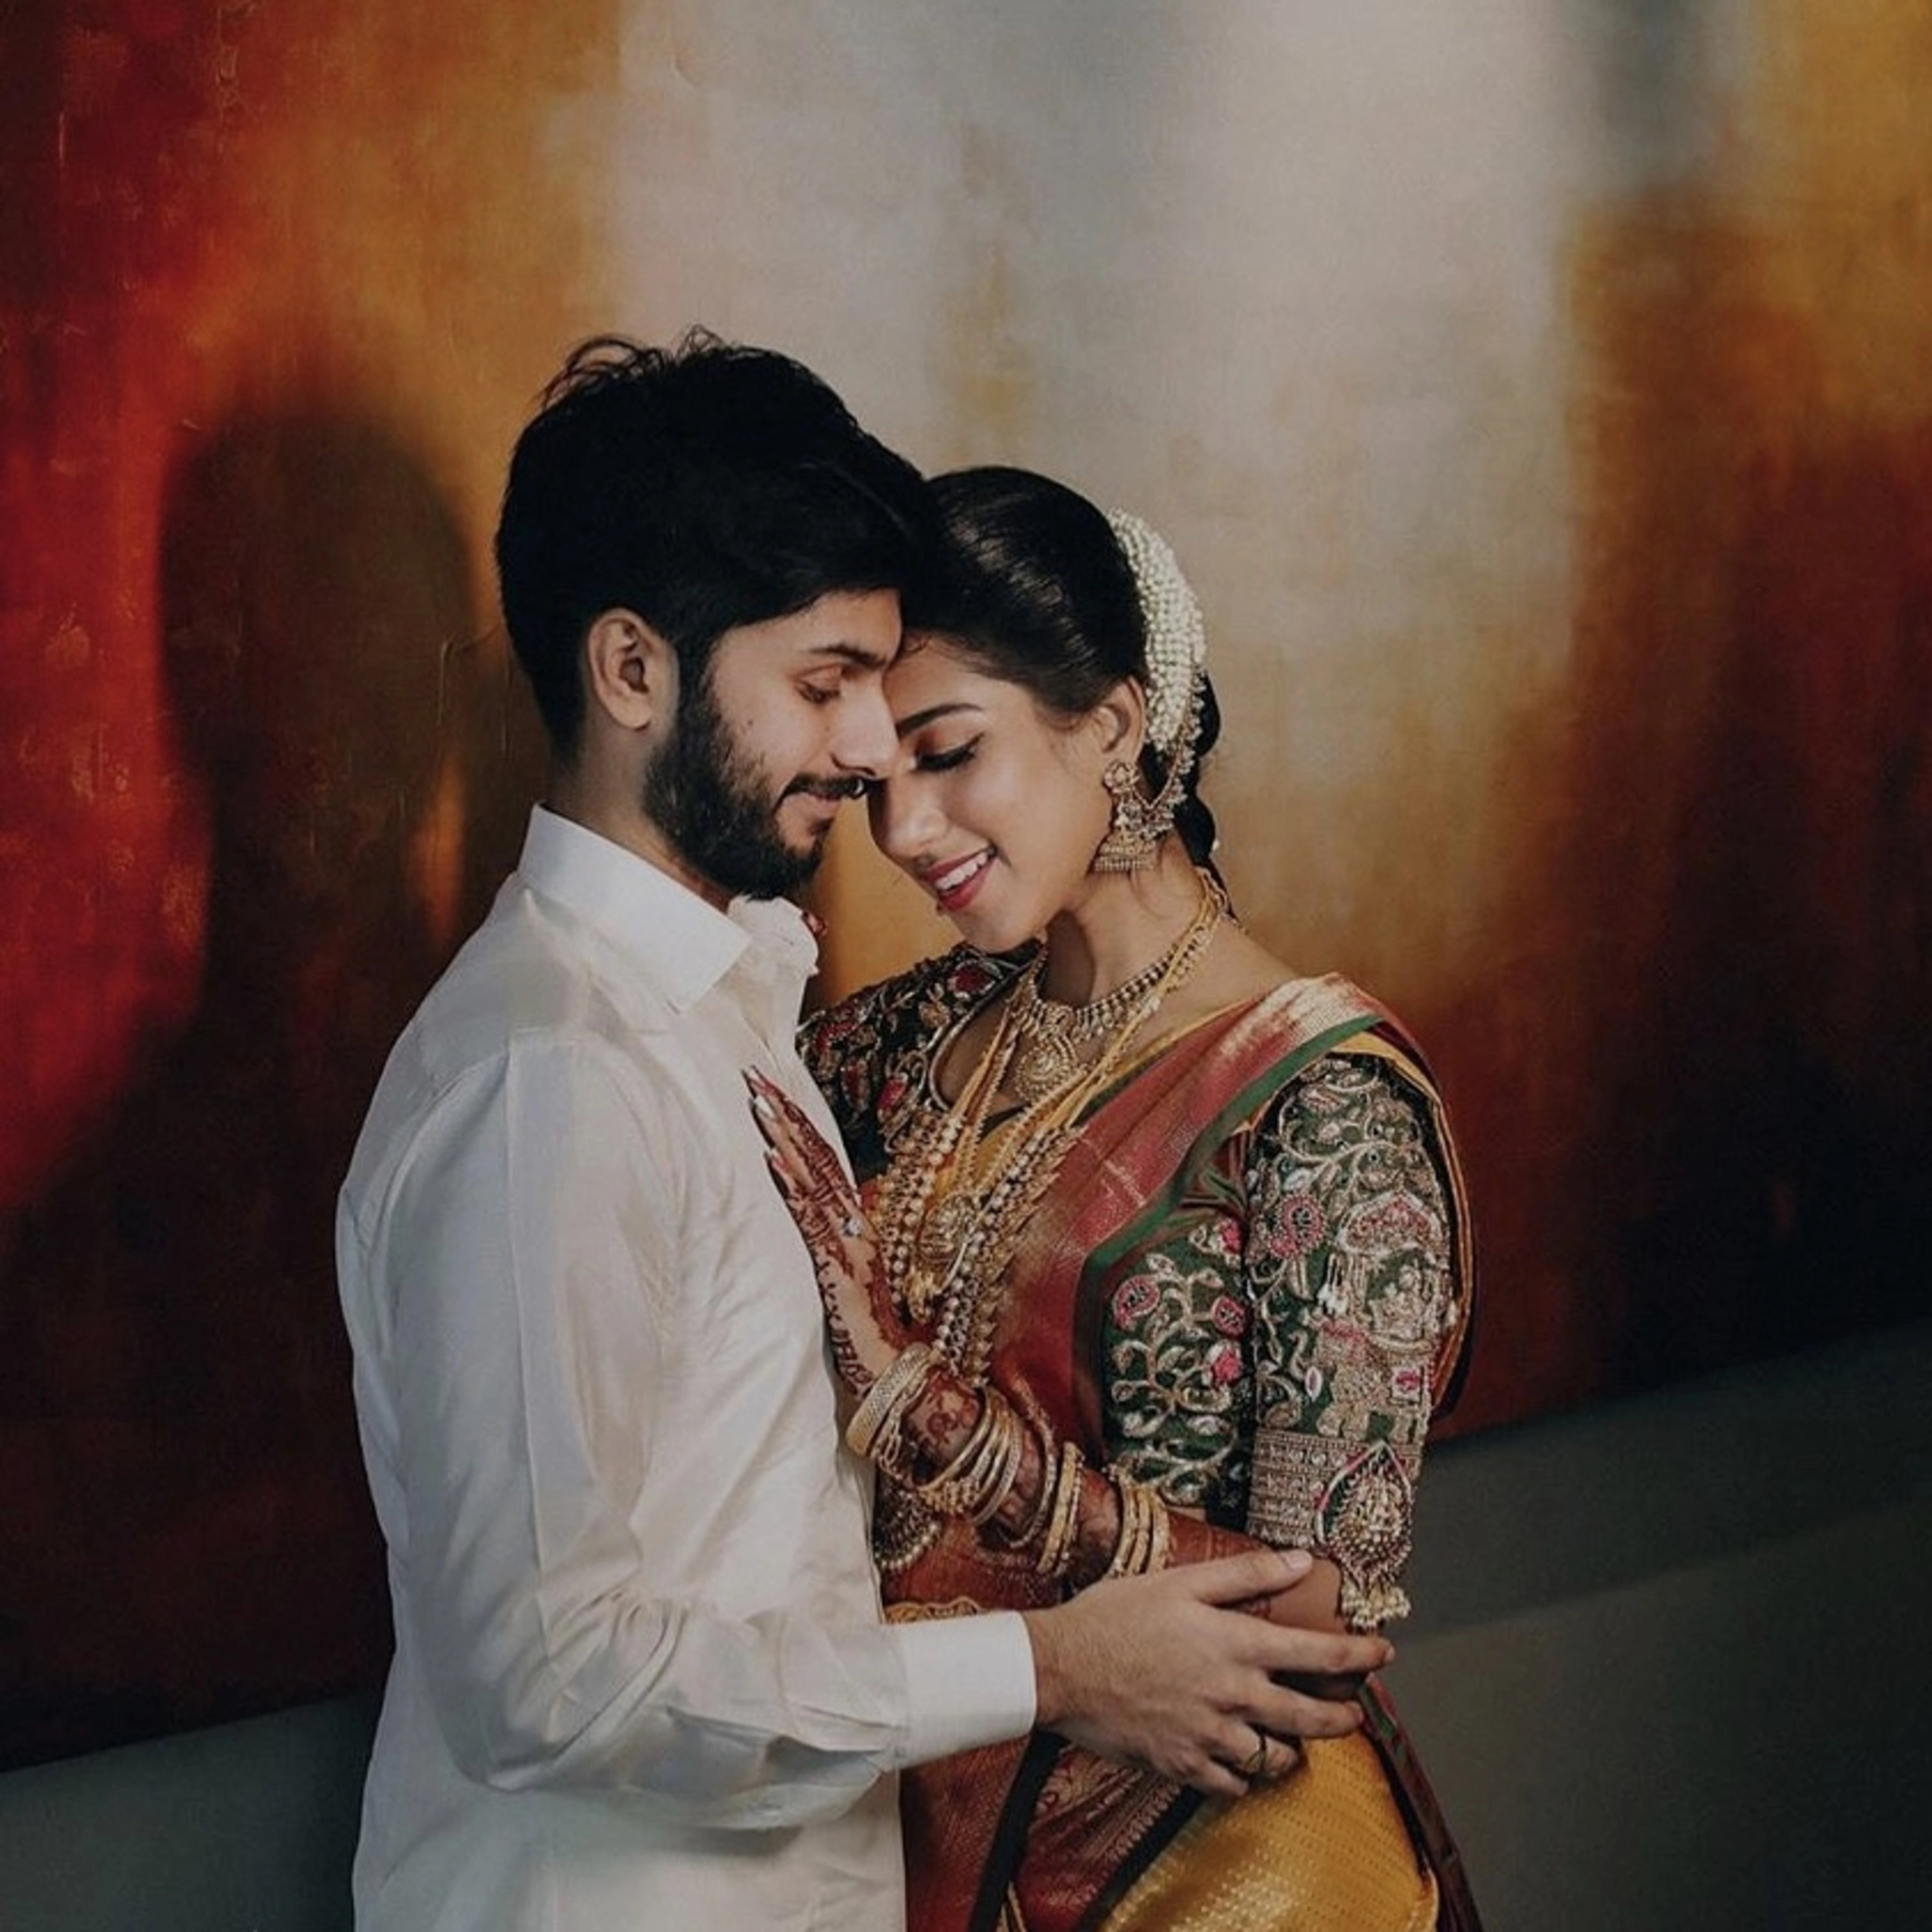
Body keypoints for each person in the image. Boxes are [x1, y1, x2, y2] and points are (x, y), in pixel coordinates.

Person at [335, 339, 1395, 1932]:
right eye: (824, 687)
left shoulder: (743, 1003)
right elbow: (545, 1678)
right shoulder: (556, 1076)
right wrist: (1043, 1664)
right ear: (632, 671)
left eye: (908, 720)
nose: (865, 768)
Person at [755, 466, 1481, 1930]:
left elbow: (1312, 1625)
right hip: (935, 1824)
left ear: (1115, 724)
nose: (905, 831)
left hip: (1223, 1869)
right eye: (875, 779)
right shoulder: (906, 1042)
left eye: (952, 754)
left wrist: (931, 1419)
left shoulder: (1324, 1111)